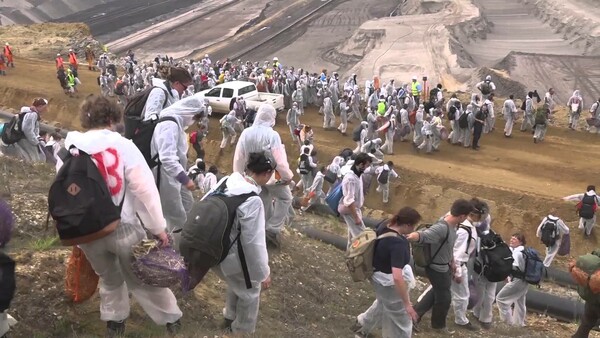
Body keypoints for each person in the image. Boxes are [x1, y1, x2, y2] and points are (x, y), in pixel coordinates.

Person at [62, 95, 182, 337]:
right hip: (123, 226)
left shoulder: (71, 147)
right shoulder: (123, 146)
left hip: (87, 231)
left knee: (109, 277)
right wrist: (158, 227)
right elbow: (145, 189)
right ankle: (171, 319)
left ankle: (114, 321)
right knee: (141, 278)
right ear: (111, 118)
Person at [206, 152, 272, 334]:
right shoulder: (253, 200)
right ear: (266, 173)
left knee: (237, 282)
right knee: (251, 290)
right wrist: (263, 272)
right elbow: (254, 243)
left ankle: (229, 317)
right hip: (231, 255)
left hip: (212, 249)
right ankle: (240, 331)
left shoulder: (226, 181)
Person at [406, 199, 474, 334]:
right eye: (466, 216)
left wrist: (453, 263)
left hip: (445, 266)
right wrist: (404, 237)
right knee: (444, 298)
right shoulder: (442, 227)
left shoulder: (453, 224)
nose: (467, 219)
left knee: (436, 293)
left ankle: (414, 316)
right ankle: (438, 326)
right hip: (436, 269)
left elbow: (449, 247)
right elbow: (421, 235)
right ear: (461, 216)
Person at [352, 207, 421, 338]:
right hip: (387, 282)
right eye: (414, 226)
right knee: (401, 318)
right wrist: (407, 304)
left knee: (383, 302)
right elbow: (397, 277)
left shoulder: (385, 224)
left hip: (376, 274)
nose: (414, 229)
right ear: (407, 225)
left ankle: (362, 324)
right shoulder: (397, 244)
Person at [233, 104, 293, 248]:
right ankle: (272, 229)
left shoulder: (246, 132)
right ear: (272, 117)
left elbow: (238, 156)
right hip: (269, 176)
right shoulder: (272, 135)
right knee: (286, 198)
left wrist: (238, 175)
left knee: (264, 199)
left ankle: (262, 228)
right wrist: (287, 176)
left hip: (252, 176)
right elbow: (279, 160)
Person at [150, 95, 204, 250]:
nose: (193, 121)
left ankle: (184, 236)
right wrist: (185, 180)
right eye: (194, 117)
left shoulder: (176, 122)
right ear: (189, 112)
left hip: (176, 175)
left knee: (188, 205)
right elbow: (167, 157)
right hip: (166, 176)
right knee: (176, 215)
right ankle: (178, 250)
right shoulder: (169, 124)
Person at [451, 205, 481, 331]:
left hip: (457, 265)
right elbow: (457, 252)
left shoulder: (468, 227)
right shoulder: (465, 230)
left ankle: (418, 311)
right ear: (473, 215)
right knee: (462, 295)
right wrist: (457, 272)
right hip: (457, 265)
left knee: (438, 290)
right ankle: (461, 320)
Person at [1, 98, 48, 163]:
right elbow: (27, 129)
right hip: (25, 138)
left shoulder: (29, 112)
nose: (45, 110)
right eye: (44, 107)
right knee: (35, 159)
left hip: (23, 138)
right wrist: (35, 141)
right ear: (40, 106)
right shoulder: (32, 114)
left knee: (28, 157)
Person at [496, 233, 528, 327]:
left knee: (501, 299)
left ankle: (507, 323)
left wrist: (504, 273)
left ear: (520, 242)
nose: (512, 240)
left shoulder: (518, 253)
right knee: (520, 302)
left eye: (515, 239)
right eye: (511, 238)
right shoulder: (523, 251)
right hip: (524, 281)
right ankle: (519, 323)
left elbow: (514, 266)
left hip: (518, 280)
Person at [340, 153, 372, 246]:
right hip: (351, 211)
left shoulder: (358, 175)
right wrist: (356, 217)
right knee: (361, 237)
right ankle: (358, 257)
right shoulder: (351, 179)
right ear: (361, 165)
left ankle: (349, 256)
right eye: (366, 166)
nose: (367, 168)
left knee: (352, 238)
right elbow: (349, 200)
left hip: (354, 209)